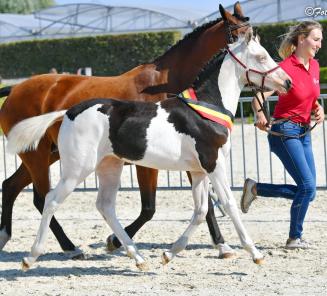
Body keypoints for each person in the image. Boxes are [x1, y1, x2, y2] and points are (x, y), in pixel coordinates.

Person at [240, 21, 324, 249]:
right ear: (301, 39)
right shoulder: (285, 67)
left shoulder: (314, 66)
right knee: (307, 188)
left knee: (310, 192)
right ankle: (294, 238)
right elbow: (259, 97)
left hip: (304, 133)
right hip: (284, 132)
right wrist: (259, 114)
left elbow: (310, 96)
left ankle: (256, 188)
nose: (320, 43)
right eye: (316, 39)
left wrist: (318, 108)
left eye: (320, 39)